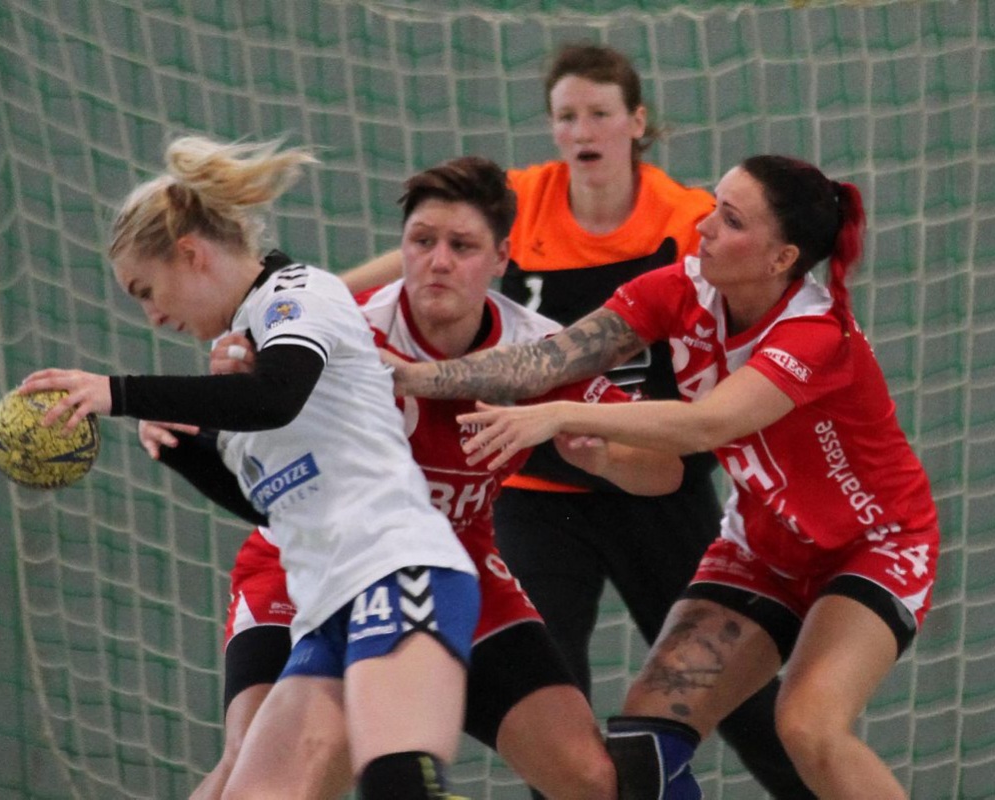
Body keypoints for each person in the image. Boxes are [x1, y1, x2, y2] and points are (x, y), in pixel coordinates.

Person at [341, 42, 811, 799]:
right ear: (553, 128)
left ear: (637, 121)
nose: (582, 128)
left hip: (653, 481)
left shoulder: (686, 218)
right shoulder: (520, 203)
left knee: (741, 695)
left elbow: (759, 282)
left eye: (598, 112)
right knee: (550, 705)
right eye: (566, 115)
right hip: (535, 490)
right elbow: (415, 254)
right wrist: (300, 309)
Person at [389, 154, 941, 800]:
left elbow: (704, 426)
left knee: (806, 726)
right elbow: (544, 362)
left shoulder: (816, 335)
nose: (704, 226)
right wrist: (408, 374)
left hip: (873, 545)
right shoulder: (678, 290)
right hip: (763, 546)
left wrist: (562, 415)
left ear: (780, 258)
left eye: (730, 220)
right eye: (712, 203)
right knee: (640, 752)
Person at [157, 155, 687, 799]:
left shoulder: (536, 353)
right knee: (261, 768)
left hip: (452, 563)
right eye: (421, 241)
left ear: (501, 258)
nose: (437, 261)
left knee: (590, 779)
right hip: (308, 569)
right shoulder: (340, 326)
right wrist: (209, 391)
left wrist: (597, 454)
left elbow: (665, 471)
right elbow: (252, 399)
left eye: (461, 246)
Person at [18, 135, 484, 800]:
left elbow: (274, 399)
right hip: (326, 608)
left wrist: (118, 392)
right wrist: (187, 450)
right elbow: (271, 502)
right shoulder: (241, 352)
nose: (152, 315)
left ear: (190, 253)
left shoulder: (297, 294)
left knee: (398, 783)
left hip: (398, 569)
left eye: (147, 290)